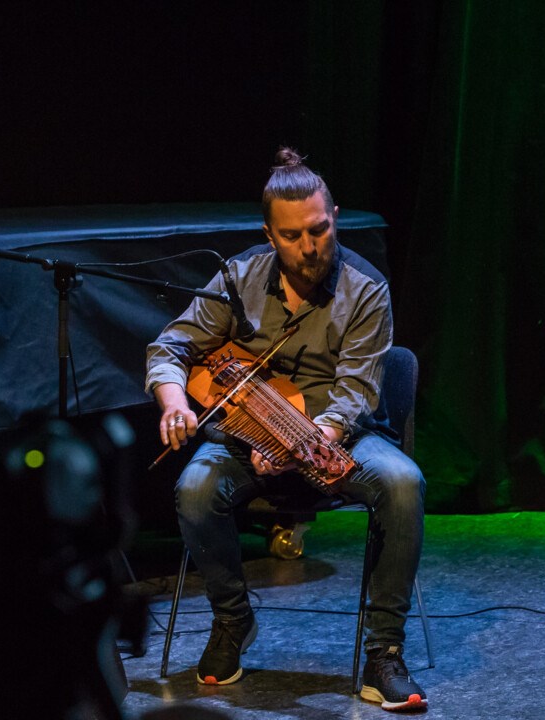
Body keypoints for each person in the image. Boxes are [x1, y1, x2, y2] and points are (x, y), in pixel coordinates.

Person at [145, 148, 427, 711]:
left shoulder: (365, 289)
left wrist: (300, 443)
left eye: (320, 230)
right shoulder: (238, 277)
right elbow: (171, 345)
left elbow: (355, 394)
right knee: (195, 490)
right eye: (293, 236)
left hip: (337, 434)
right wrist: (173, 401)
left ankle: (383, 652)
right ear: (270, 235)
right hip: (242, 436)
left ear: (334, 217)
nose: (310, 247)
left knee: (402, 484)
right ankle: (232, 620)